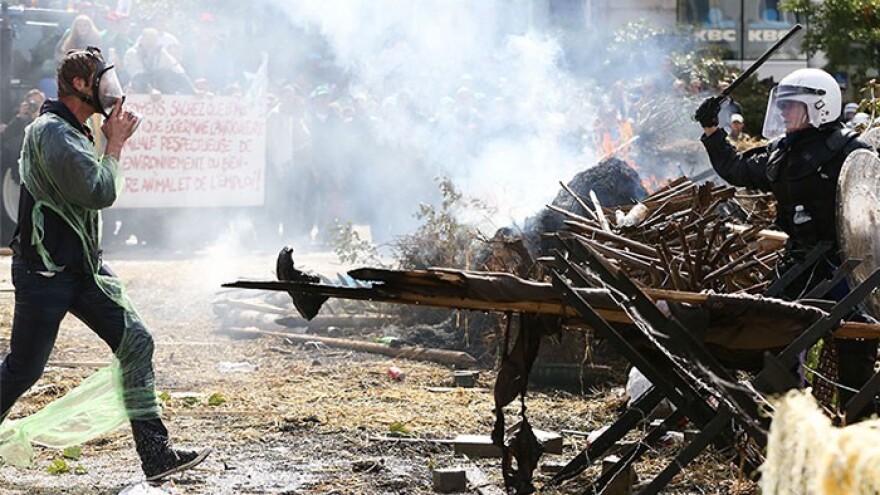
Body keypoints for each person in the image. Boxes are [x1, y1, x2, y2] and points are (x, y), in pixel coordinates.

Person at [0, 47, 210, 479]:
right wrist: (115, 144)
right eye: (101, 79)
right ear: (80, 86)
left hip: (81, 270)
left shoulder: (73, 129)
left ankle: (156, 455)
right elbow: (99, 191)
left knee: (137, 342)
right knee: (24, 369)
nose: (111, 89)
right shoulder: (53, 131)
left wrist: (106, 138)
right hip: (45, 274)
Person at [695, 67, 878, 418]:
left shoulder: (852, 153)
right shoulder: (782, 151)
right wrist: (712, 131)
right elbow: (737, 169)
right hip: (797, 265)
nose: (782, 112)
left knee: (856, 347)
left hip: (845, 270)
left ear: (819, 106)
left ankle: (861, 435)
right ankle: (785, 427)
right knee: (776, 340)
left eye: (790, 105)